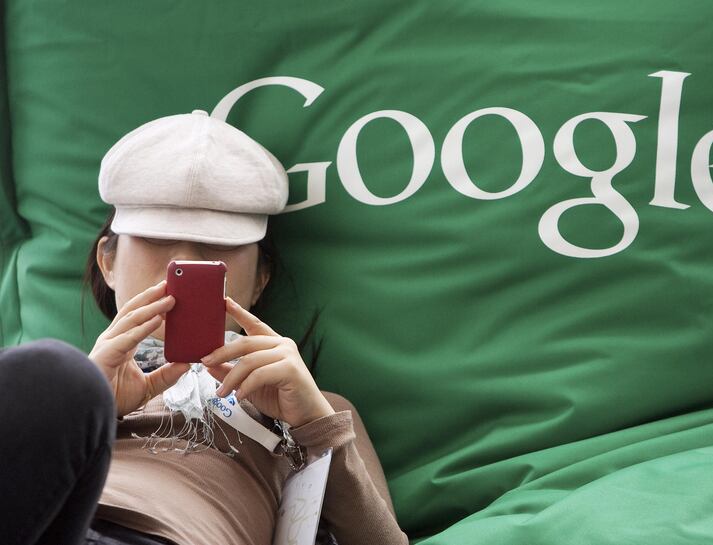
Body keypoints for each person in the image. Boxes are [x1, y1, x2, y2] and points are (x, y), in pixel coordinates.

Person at [1, 109, 409, 545]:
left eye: (219, 248)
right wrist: (97, 402)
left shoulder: (312, 405)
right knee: (53, 374)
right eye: (156, 239)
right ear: (108, 263)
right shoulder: (59, 393)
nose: (187, 262)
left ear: (261, 279)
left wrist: (316, 427)